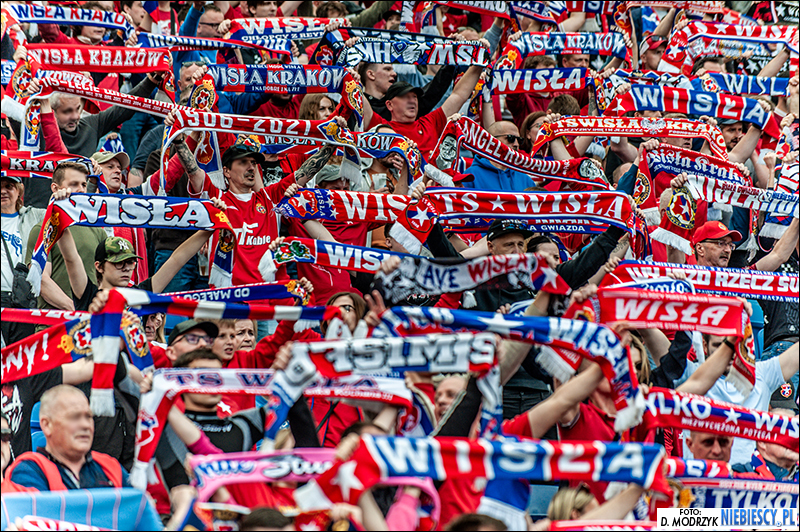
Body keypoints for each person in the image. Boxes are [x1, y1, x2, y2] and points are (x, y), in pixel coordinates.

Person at [5, 385, 131, 490]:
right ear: (47, 425)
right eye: (74, 417)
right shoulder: (29, 471)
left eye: (88, 417)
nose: (85, 425)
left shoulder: (110, 467)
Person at [1, 174, 43, 344]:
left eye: (9, 186)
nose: (3, 191)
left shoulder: (34, 217)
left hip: (24, 299)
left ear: (19, 191)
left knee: (22, 354)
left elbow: (65, 212)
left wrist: (92, 185)